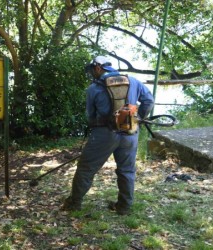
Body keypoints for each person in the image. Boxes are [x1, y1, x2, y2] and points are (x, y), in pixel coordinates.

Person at [62, 55, 154, 215]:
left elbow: (90, 116)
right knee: (126, 170)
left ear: (98, 68)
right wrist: (139, 119)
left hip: (104, 134)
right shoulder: (133, 81)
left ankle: (74, 203)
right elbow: (149, 101)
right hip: (130, 133)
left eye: (92, 71)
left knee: (86, 168)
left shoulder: (93, 88)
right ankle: (124, 207)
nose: (92, 74)